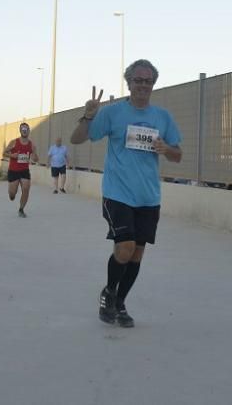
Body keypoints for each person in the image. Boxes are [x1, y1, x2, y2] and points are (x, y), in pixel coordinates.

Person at [71, 60, 182, 329]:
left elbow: (178, 155)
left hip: (148, 196)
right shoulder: (113, 113)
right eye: (138, 80)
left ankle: (119, 303)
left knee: (137, 254)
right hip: (117, 192)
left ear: (153, 85)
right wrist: (88, 115)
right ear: (128, 82)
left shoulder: (163, 117)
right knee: (125, 247)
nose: (143, 85)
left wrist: (166, 148)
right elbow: (77, 139)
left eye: (148, 81)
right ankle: (108, 292)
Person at [4, 122, 38, 217]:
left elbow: (36, 158)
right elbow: (4, 153)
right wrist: (12, 155)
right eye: (23, 129)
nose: (24, 131)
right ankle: (12, 194)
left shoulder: (32, 145)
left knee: (26, 189)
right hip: (13, 171)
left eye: (26, 129)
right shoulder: (14, 142)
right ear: (20, 131)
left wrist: (35, 157)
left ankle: (21, 209)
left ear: (28, 131)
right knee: (12, 193)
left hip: (24, 170)